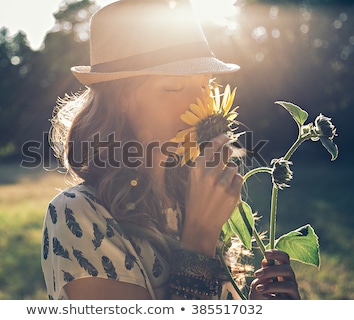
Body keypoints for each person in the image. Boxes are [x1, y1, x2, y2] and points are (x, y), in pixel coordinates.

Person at [41, 0, 300, 300]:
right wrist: (200, 235)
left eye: (205, 85)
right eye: (173, 88)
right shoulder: (79, 215)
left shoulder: (187, 197)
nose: (199, 106)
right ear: (120, 99)